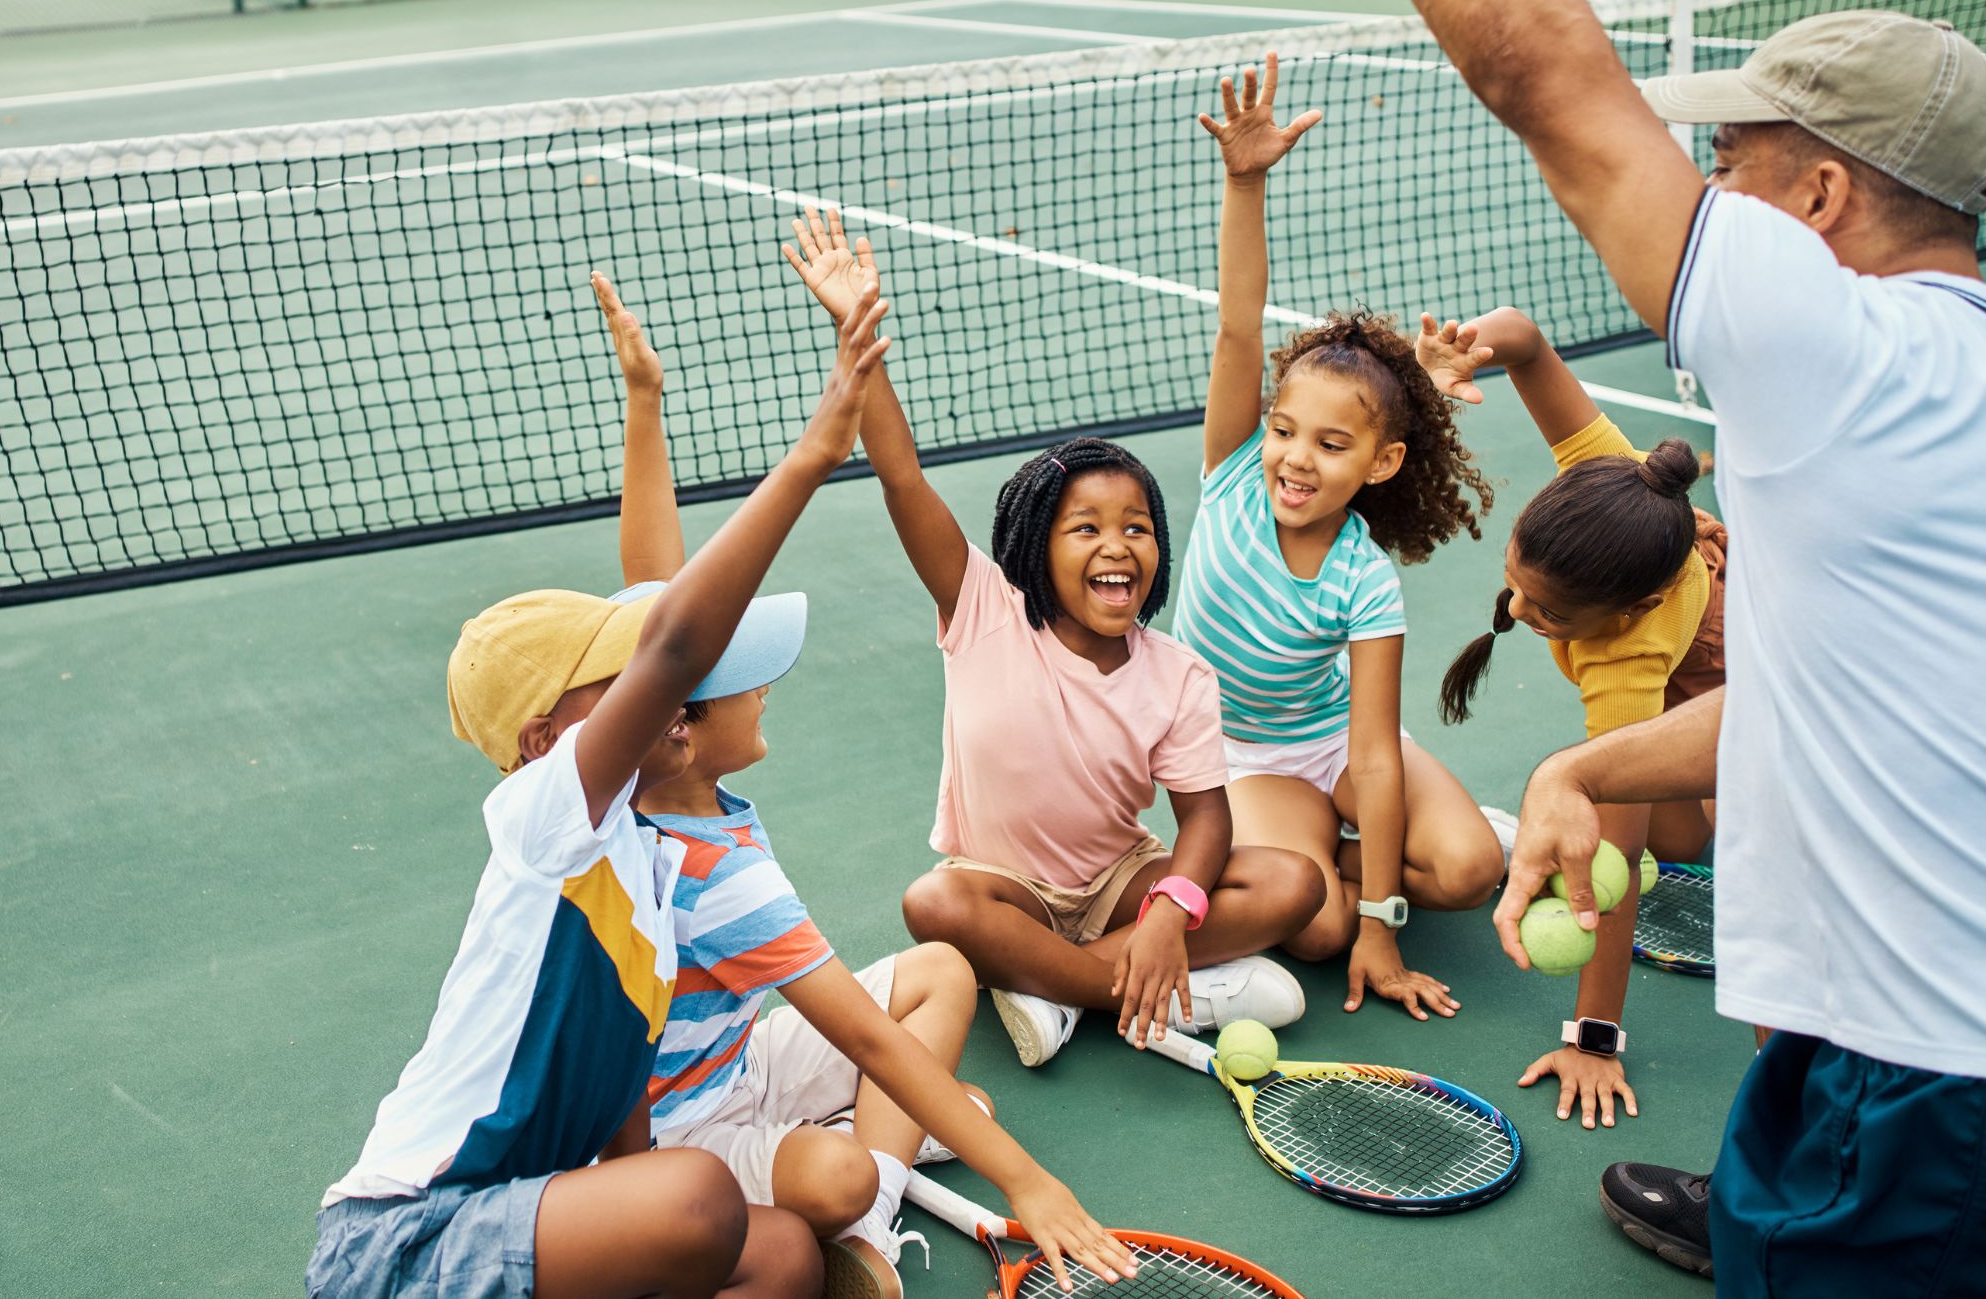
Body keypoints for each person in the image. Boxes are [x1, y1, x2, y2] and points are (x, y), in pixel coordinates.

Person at [1284, 0, 1986, 1290]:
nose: (1712, 196)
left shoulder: (1833, 347)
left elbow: (1544, 73)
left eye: (1737, 161)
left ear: (1822, 194)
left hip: (1953, 1097)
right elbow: (1843, 694)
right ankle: (1767, 1201)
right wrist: (1583, 771)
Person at [305, 286, 885, 1299]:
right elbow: (675, 634)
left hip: (546, 1221)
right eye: (618, 682)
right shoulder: (543, 825)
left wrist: (646, 403)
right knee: (700, 1198)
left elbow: (625, 1135)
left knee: (784, 1256)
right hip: (402, 1247)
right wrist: (813, 452)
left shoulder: (649, 873)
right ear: (545, 739)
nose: (661, 690)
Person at [589, 273, 1129, 1299]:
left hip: (745, 1054)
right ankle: (864, 1192)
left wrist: (646, 403)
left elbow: (665, 612)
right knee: (838, 1172)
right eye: (745, 679)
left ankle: (872, 1198)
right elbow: (865, 1032)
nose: (765, 686)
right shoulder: (711, 871)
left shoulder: (644, 781)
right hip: (679, 1132)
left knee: (942, 970)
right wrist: (1031, 1183)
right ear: (683, 729)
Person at [781, 208, 1320, 1070]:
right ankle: (1148, 990)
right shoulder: (981, 607)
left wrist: (1171, 914)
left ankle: (1068, 989)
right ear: (1035, 547)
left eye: (1137, 526)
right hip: (1007, 889)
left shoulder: (1177, 674)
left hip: (1118, 882)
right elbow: (900, 475)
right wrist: (855, 323)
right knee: (937, 906)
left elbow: (1206, 818)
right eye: (1086, 529)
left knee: (1294, 882)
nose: (1117, 545)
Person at [1175, 56, 1503, 1020]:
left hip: (1330, 747)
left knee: (1472, 869)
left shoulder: (1365, 580)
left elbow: (1371, 751)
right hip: (1248, 753)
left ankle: (1352, 852)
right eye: (1286, 430)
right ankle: (1322, 854)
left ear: (1382, 463)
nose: (1295, 458)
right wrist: (1246, 181)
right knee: (1315, 927)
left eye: (1331, 444)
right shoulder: (1234, 469)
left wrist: (1387, 921)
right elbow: (1240, 326)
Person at [1417, 307, 1724, 1128]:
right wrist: (1456, 358)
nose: (1516, 607)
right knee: (1684, 837)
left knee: (1679, 839)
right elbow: (1520, 335)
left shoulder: (1623, 671)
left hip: (1729, 669)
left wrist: (1594, 1037)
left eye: (1546, 611)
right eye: (1517, 578)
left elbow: (1605, 878)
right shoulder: (1608, 475)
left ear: (1634, 607)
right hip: (1696, 620)